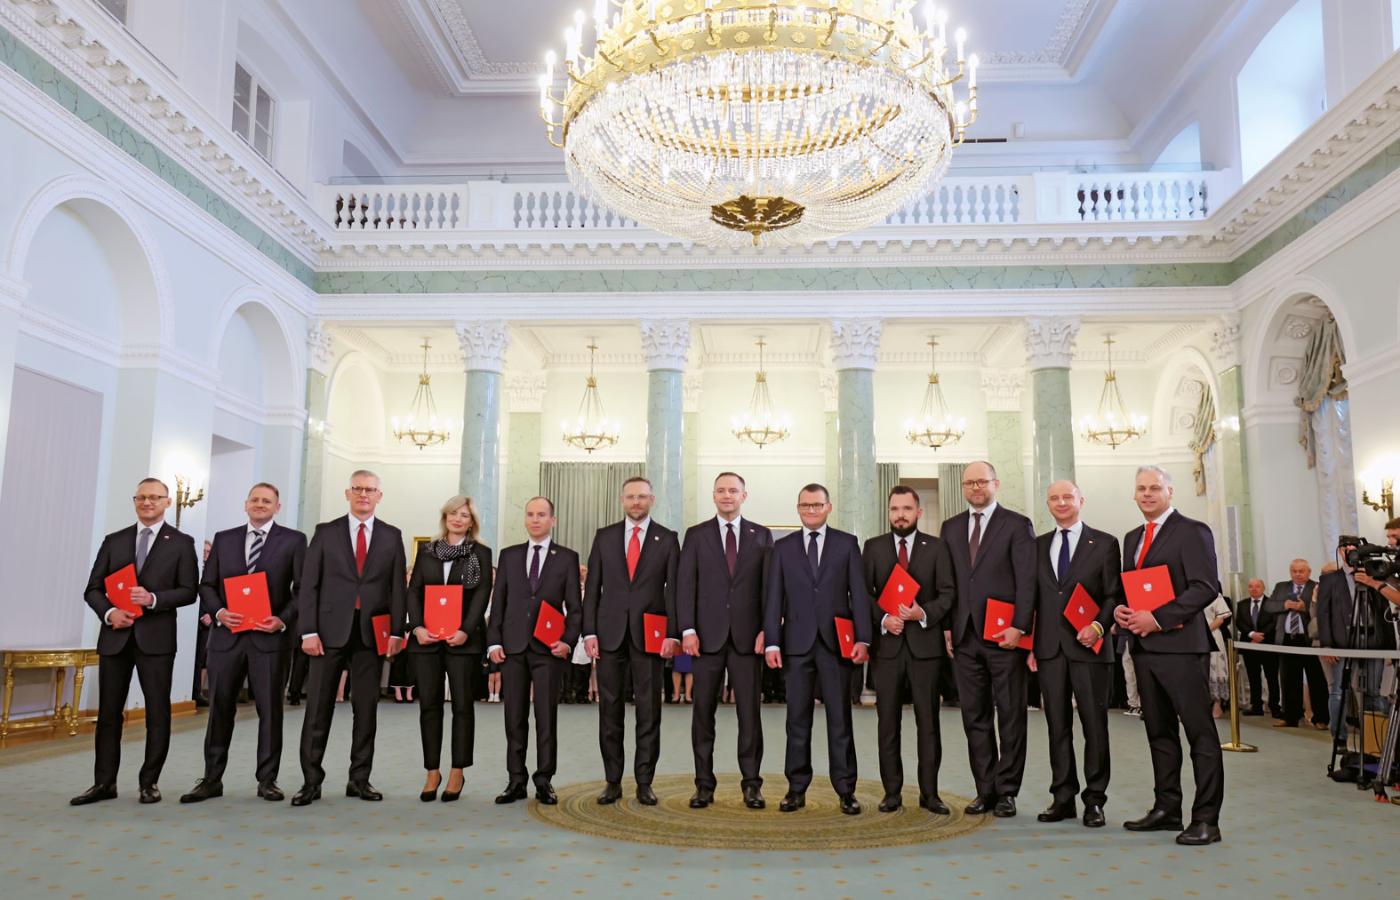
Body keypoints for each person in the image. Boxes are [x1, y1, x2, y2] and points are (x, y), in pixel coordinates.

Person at [1113, 465, 1224, 846]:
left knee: (1199, 735)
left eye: (1155, 488)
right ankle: (1167, 808)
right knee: (1159, 733)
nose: (1147, 494)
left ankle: (1207, 819)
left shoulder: (1193, 531)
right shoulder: (1132, 538)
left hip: (1183, 649)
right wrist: (1122, 611)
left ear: (1170, 492)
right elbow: (1132, 589)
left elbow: (1206, 587)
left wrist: (1158, 619)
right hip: (1144, 649)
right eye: (1141, 488)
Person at [73, 478, 199, 806]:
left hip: (156, 640)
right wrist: (109, 612)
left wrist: (154, 598)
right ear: (134, 501)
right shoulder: (114, 541)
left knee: (157, 712)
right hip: (115, 637)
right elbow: (93, 588)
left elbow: (189, 591)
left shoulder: (181, 543)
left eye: (154, 497)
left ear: (167, 502)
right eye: (141, 497)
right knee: (108, 713)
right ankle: (104, 783)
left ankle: (149, 782)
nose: (147, 502)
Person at [180, 483, 306, 804]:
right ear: (246, 504)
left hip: (270, 640)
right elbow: (207, 585)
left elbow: (302, 590)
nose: (260, 504)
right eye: (255, 500)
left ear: (277, 507)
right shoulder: (225, 539)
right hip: (227, 638)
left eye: (267, 501)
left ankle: (267, 780)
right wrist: (219, 612)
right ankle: (211, 779)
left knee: (270, 712)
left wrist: (282, 620)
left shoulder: (293, 540)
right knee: (219, 710)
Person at [291, 470, 407, 807]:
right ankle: (311, 782)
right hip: (327, 634)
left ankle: (359, 779)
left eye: (370, 490)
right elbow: (308, 585)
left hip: (371, 635)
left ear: (379, 496)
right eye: (357, 489)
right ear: (347, 493)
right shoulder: (326, 532)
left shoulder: (391, 536)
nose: (363, 494)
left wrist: (396, 631)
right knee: (318, 710)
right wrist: (308, 631)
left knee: (366, 710)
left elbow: (397, 588)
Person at [764, 483, 872, 816]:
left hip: (836, 646)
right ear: (798, 509)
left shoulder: (847, 544)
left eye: (817, 505)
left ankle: (846, 790)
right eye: (805, 505)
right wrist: (772, 641)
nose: (811, 510)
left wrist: (864, 639)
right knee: (796, 721)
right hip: (796, 646)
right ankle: (796, 789)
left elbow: (859, 595)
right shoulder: (783, 548)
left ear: (828, 507)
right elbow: (773, 598)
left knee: (840, 721)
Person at [938, 460, 1036, 818]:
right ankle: (985, 790)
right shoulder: (950, 527)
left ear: (996, 484)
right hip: (964, 636)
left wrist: (1020, 626)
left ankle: (1007, 791)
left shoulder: (1017, 524)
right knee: (974, 717)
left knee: (1010, 715)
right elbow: (947, 582)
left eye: (982, 482)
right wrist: (947, 626)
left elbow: (1027, 580)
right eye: (969, 483)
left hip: (1004, 635)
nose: (976, 488)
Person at [677, 471, 773, 810]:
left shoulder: (762, 535)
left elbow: (769, 588)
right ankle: (704, 785)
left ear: (744, 496)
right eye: (721, 490)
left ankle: (752, 785)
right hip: (705, 640)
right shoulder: (696, 535)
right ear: (713, 495)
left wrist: (767, 629)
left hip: (749, 640)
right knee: (703, 715)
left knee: (750, 716)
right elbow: (685, 585)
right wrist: (687, 630)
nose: (727, 495)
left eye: (733, 490)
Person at [1030, 480, 1122, 829]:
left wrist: (1098, 626)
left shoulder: (1105, 543)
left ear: (1080, 500)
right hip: (1050, 650)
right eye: (1054, 498)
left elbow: (1114, 594)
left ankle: (1095, 800)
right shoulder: (1037, 545)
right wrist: (1030, 645)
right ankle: (1063, 797)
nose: (1061, 502)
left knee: (1094, 726)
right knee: (1057, 726)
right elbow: (1033, 598)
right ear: (1048, 505)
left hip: (1090, 648)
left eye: (1067, 497)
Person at [583, 476, 680, 806]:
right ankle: (612, 780)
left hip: (650, 637)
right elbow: (592, 588)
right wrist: (589, 631)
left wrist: (672, 633)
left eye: (642, 496)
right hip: (609, 635)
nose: (636, 502)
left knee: (649, 711)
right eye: (630, 497)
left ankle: (644, 781)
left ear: (652, 499)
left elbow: (674, 590)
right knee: (609, 712)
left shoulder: (668, 539)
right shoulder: (605, 536)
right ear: (622, 500)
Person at [862, 485, 955, 814]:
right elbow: (863, 594)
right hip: (887, 650)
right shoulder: (873, 547)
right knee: (887, 724)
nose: (900, 515)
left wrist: (922, 613)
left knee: (928, 724)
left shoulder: (938, 548)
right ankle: (892, 793)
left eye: (906, 509)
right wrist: (884, 619)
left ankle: (930, 794)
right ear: (888, 512)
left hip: (925, 650)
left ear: (919, 512)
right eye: (894, 509)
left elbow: (948, 593)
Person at [487, 496, 582, 806]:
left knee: (546, 717)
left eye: (541, 515)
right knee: (514, 717)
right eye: (530, 514)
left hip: (548, 650)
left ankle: (544, 780)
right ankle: (516, 780)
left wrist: (567, 641)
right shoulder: (509, 555)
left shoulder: (566, 558)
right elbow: (498, 603)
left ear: (552, 520)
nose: (535, 519)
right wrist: (494, 641)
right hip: (513, 648)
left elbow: (575, 608)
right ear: (525, 519)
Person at [406, 495, 493, 803]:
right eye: (453, 513)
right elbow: (414, 591)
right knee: (429, 705)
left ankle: (457, 770)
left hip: (462, 641)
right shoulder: (427, 551)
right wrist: (417, 627)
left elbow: (482, 593)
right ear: (445, 517)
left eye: (464, 515)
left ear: (472, 522)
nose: (458, 519)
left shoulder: (480, 553)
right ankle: (432, 771)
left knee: (462, 706)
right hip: (426, 640)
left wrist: (465, 630)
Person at [1317, 536, 1397, 749]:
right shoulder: (1330, 579)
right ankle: (1340, 739)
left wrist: (1390, 648)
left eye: (1356, 548)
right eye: (1347, 548)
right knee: (1339, 692)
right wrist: (1327, 645)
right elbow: (1323, 614)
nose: (1351, 552)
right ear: (1340, 551)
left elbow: (1385, 613)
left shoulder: (1375, 575)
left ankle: (1374, 742)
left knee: (1372, 692)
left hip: (1373, 640)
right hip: (1342, 642)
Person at [1269, 559, 1327, 730]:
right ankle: (1291, 717)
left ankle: (1321, 718)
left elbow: (1324, 610)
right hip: (1287, 639)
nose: (1298, 574)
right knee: (1288, 680)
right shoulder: (1281, 587)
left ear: (1309, 572)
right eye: (1294, 571)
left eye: (1301, 571)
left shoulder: (1317, 586)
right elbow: (1269, 606)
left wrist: (1305, 608)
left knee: (1316, 679)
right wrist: (1284, 605)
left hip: (1309, 640)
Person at [1235, 578, 1281, 718]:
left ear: (1263, 588)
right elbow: (1239, 622)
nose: (1254, 589)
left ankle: (1274, 707)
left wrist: (1261, 636)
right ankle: (1256, 706)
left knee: (1271, 677)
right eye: (1251, 586)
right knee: (1253, 677)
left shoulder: (1272, 603)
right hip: (1249, 646)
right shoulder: (1242, 604)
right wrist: (1251, 634)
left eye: (1257, 586)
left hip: (1268, 645)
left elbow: (1274, 622)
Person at [1204, 595, 1233, 718]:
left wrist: (1204, 631)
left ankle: (1217, 704)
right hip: (1192, 637)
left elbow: (1220, 619)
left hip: (1213, 635)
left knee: (1216, 669)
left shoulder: (1215, 595)